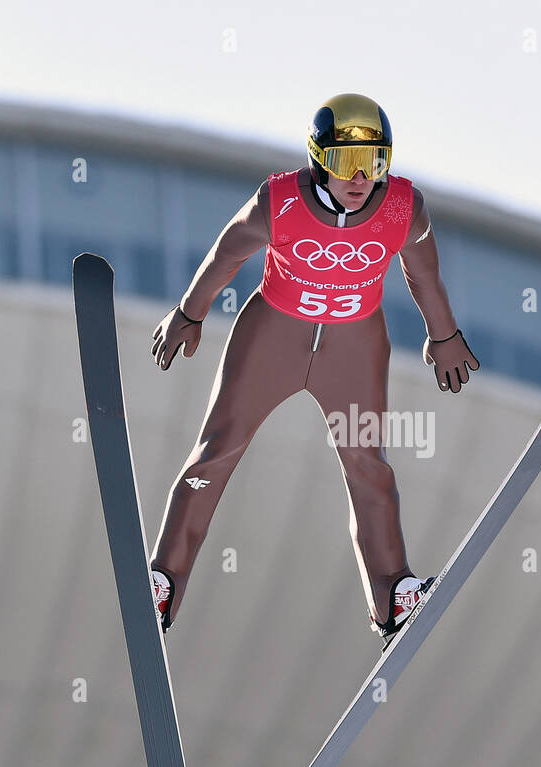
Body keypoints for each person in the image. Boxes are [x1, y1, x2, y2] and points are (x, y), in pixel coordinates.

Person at [148, 92, 479, 646]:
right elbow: (228, 253)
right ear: (318, 156)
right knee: (218, 448)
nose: (360, 177)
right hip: (274, 335)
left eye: (374, 162)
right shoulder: (279, 201)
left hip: (353, 346)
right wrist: (189, 312)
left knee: (367, 464)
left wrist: (444, 336)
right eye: (347, 162)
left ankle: (392, 593)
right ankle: (164, 577)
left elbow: (423, 273)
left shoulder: (403, 207)